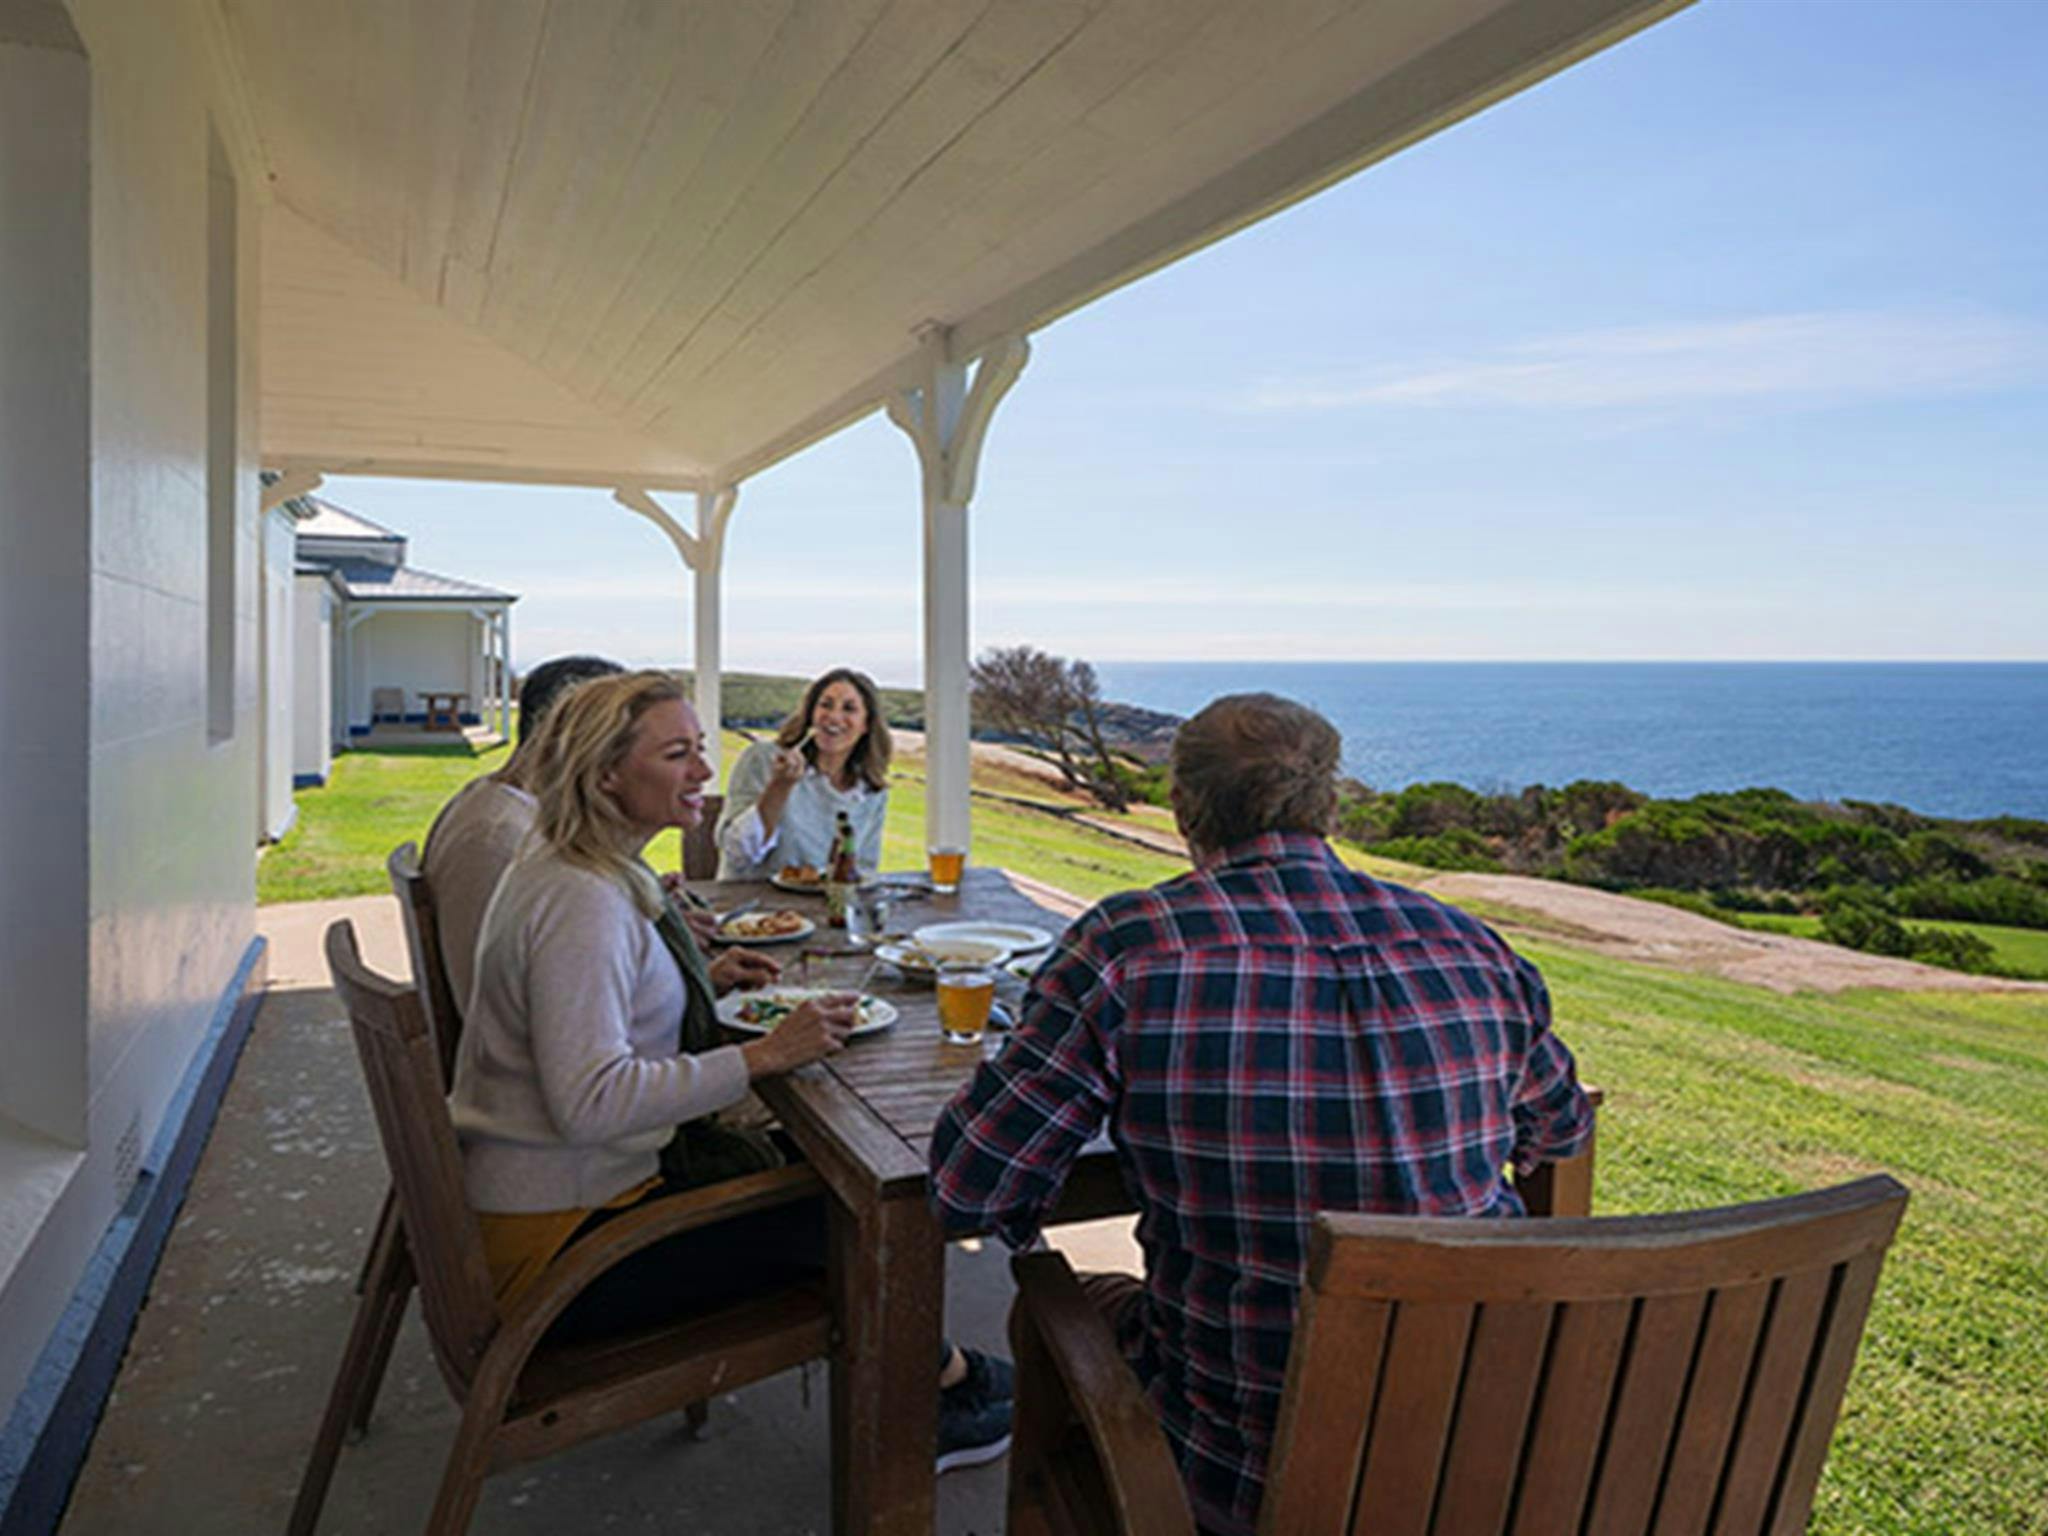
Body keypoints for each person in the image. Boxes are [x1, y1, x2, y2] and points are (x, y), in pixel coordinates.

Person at [929, 693, 1593, 1535]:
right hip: (1468, 1455)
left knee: (1054, 1305)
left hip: (1235, 1477)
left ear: (1182, 809)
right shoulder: (1472, 946)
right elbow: (1560, 1131)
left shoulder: (1128, 946)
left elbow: (968, 1193)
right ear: (1331, 803)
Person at [450, 670, 1012, 1469]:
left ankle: (947, 1377)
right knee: (865, 1216)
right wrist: (761, 1057)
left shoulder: (577, 867)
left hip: (560, 1204)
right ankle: (935, 1407)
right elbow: (589, 1100)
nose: (705, 775)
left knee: (821, 1176)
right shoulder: (580, 900)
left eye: (701, 751)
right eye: (678, 754)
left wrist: (697, 981)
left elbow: (594, 1008)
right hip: (567, 1250)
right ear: (605, 772)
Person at [423, 654, 719, 1013]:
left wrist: (650, 939)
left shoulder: (521, 816)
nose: (704, 772)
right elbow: (490, 1005)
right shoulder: (495, 837)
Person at [716, 667, 891, 879]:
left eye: (849, 709)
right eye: (825, 705)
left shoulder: (870, 791)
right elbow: (737, 855)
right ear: (811, 715)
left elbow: (864, 871)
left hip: (827, 908)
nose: (834, 717)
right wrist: (779, 787)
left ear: (866, 725)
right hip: (756, 907)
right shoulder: (763, 760)